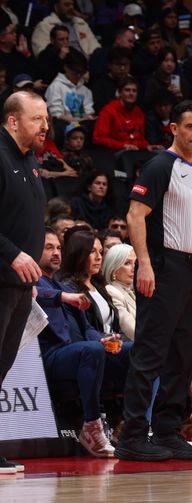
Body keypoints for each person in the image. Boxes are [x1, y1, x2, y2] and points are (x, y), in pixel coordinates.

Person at [115, 101, 192, 462]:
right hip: (161, 266)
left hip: (190, 268)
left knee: (182, 354)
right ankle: (132, 434)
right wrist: (143, 264)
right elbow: (135, 215)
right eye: (189, 127)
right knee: (150, 353)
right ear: (174, 128)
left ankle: (168, 430)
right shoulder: (161, 165)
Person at [35, 229, 117, 458]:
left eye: (58, 248)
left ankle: (132, 427)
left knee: (138, 352)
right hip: (48, 356)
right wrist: (60, 297)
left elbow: (87, 328)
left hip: (75, 351)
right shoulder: (32, 281)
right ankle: (92, 425)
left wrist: (104, 339)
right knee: (90, 351)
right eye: (48, 247)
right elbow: (31, 293)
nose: (56, 253)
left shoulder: (65, 287)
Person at [0, 91, 48, 474]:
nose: (45, 126)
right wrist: (14, 254)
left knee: (2, 366)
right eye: (37, 119)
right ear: (13, 121)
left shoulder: (30, 161)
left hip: (18, 284)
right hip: (1, 277)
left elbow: (26, 220)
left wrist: (28, 275)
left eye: (46, 119)